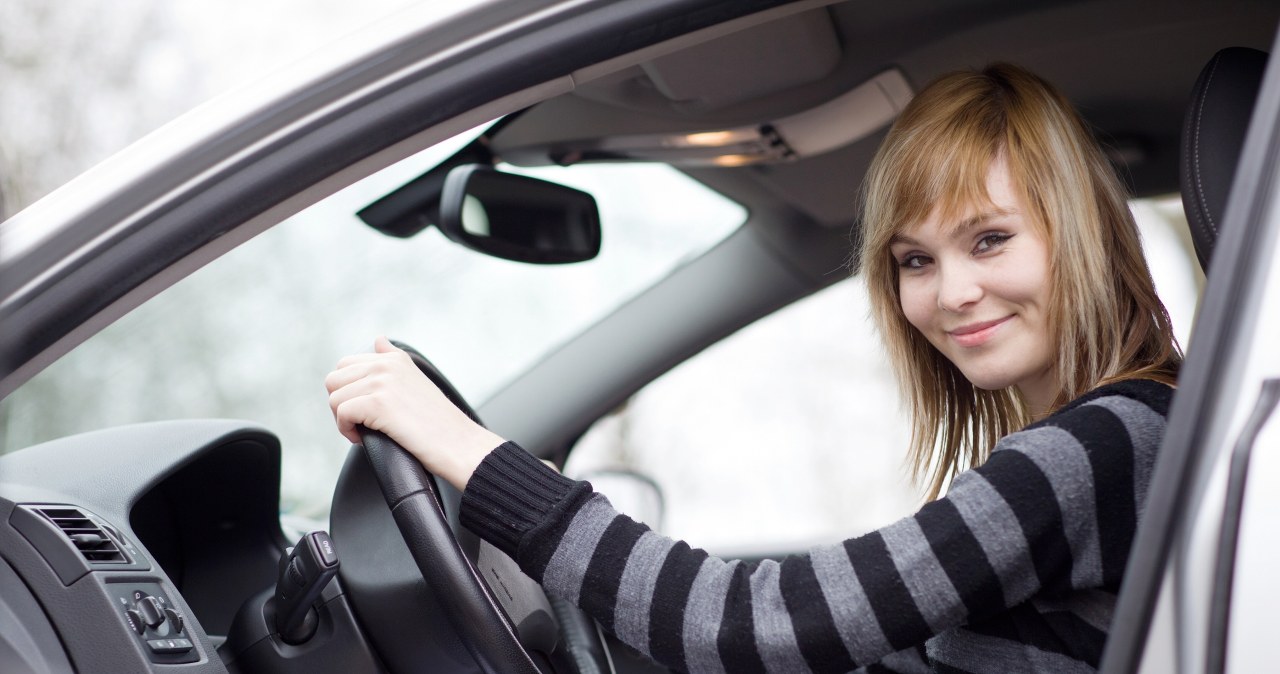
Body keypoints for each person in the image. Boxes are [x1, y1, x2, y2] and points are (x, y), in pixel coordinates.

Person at [325, 63, 1181, 673]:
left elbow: (760, 623)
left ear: (1080, 233)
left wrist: (470, 454)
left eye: (990, 239)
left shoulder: (1101, 448)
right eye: (914, 260)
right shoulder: (1120, 440)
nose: (953, 291)